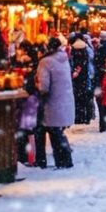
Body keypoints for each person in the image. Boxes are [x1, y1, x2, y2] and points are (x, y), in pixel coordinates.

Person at [35, 37, 75, 169]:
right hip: (64, 101)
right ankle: (64, 160)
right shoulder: (63, 59)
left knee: (50, 132)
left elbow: (44, 86)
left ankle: (54, 161)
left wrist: (36, 85)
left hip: (51, 103)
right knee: (57, 132)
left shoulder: (46, 62)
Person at [69, 33, 91, 125]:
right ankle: (85, 116)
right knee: (83, 97)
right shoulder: (84, 48)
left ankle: (79, 116)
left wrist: (76, 71)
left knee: (78, 97)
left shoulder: (75, 49)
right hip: (84, 76)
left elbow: (78, 63)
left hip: (78, 77)